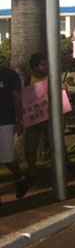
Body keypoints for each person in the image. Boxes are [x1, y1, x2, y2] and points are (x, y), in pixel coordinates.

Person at [0, 61, 29, 204]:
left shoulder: (10, 75)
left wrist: (19, 120)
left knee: (6, 158)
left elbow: (17, 98)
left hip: (5, 121)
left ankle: (20, 178)